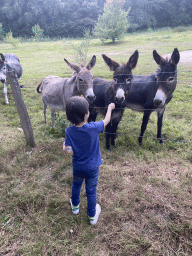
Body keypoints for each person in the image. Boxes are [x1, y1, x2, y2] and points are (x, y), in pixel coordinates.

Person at [63, 96, 115, 225]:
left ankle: (75, 207)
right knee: (91, 191)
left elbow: (68, 150)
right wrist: (109, 108)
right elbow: (107, 120)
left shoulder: (69, 131)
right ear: (87, 115)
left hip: (78, 167)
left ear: (68, 117)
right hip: (92, 168)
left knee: (76, 185)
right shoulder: (93, 127)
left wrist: (65, 146)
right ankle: (92, 216)